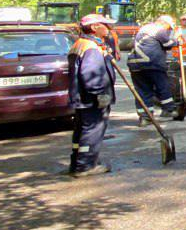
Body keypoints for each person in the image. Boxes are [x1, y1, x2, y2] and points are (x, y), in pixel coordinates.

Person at [68, 13, 116, 177]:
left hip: (82, 98)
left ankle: (77, 162)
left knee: (81, 130)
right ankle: (85, 166)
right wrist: (100, 94)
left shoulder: (81, 44)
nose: (109, 28)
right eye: (106, 25)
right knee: (92, 130)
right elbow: (90, 74)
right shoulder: (90, 48)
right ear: (95, 27)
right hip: (91, 99)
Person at [127, 14, 179, 121]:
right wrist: (177, 41)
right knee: (163, 86)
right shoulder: (158, 29)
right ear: (164, 23)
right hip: (151, 63)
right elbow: (167, 43)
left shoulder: (145, 28)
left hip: (135, 65)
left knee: (143, 90)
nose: (168, 30)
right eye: (169, 27)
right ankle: (169, 110)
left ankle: (145, 117)